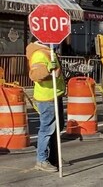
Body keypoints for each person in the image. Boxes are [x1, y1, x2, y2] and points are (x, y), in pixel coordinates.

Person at [26, 37, 66, 172]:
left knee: (56, 127)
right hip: (47, 97)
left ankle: (53, 157)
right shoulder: (39, 54)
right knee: (47, 129)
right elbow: (35, 74)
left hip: (54, 95)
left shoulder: (48, 51)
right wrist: (48, 69)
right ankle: (41, 160)